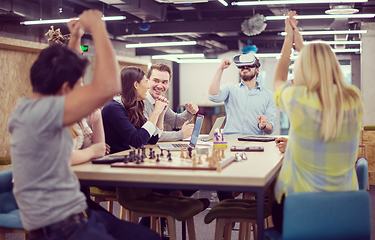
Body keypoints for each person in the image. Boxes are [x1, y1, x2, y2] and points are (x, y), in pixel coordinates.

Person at [8, 10, 160, 240]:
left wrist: (76, 38)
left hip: (78, 211)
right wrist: (97, 29)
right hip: (61, 227)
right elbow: (109, 86)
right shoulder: (42, 114)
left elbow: (66, 77)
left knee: (146, 236)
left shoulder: (36, 107)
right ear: (64, 88)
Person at [272, 10, 364, 233]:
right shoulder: (353, 98)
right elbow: (321, 73)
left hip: (300, 211)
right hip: (346, 212)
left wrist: (289, 39)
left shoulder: (298, 99)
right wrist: (303, 45)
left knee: (269, 195)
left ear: (303, 68)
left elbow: (278, 79)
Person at [102, 66, 168, 154]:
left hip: (128, 158)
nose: (148, 87)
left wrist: (161, 113)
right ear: (136, 85)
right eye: (146, 82)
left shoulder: (136, 105)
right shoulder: (113, 108)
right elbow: (137, 140)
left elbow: (152, 139)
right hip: (115, 162)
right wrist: (156, 112)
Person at [208, 52, 276, 135]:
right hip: (231, 141)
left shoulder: (268, 95)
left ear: (257, 70)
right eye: (242, 66)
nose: (245, 67)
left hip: (255, 142)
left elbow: (271, 127)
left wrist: (264, 125)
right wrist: (220, 69)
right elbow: (213, 96)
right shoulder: (230, 89)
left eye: (249, 65)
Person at [144, 63, 198, 141]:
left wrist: (190, 112)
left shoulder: (160, 101)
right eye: (156, 81)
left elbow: (175, 121)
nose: (160, 86)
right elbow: (149, 135)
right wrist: (181, 134)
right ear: (147, 81)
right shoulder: (141, 102)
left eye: (164, 82)